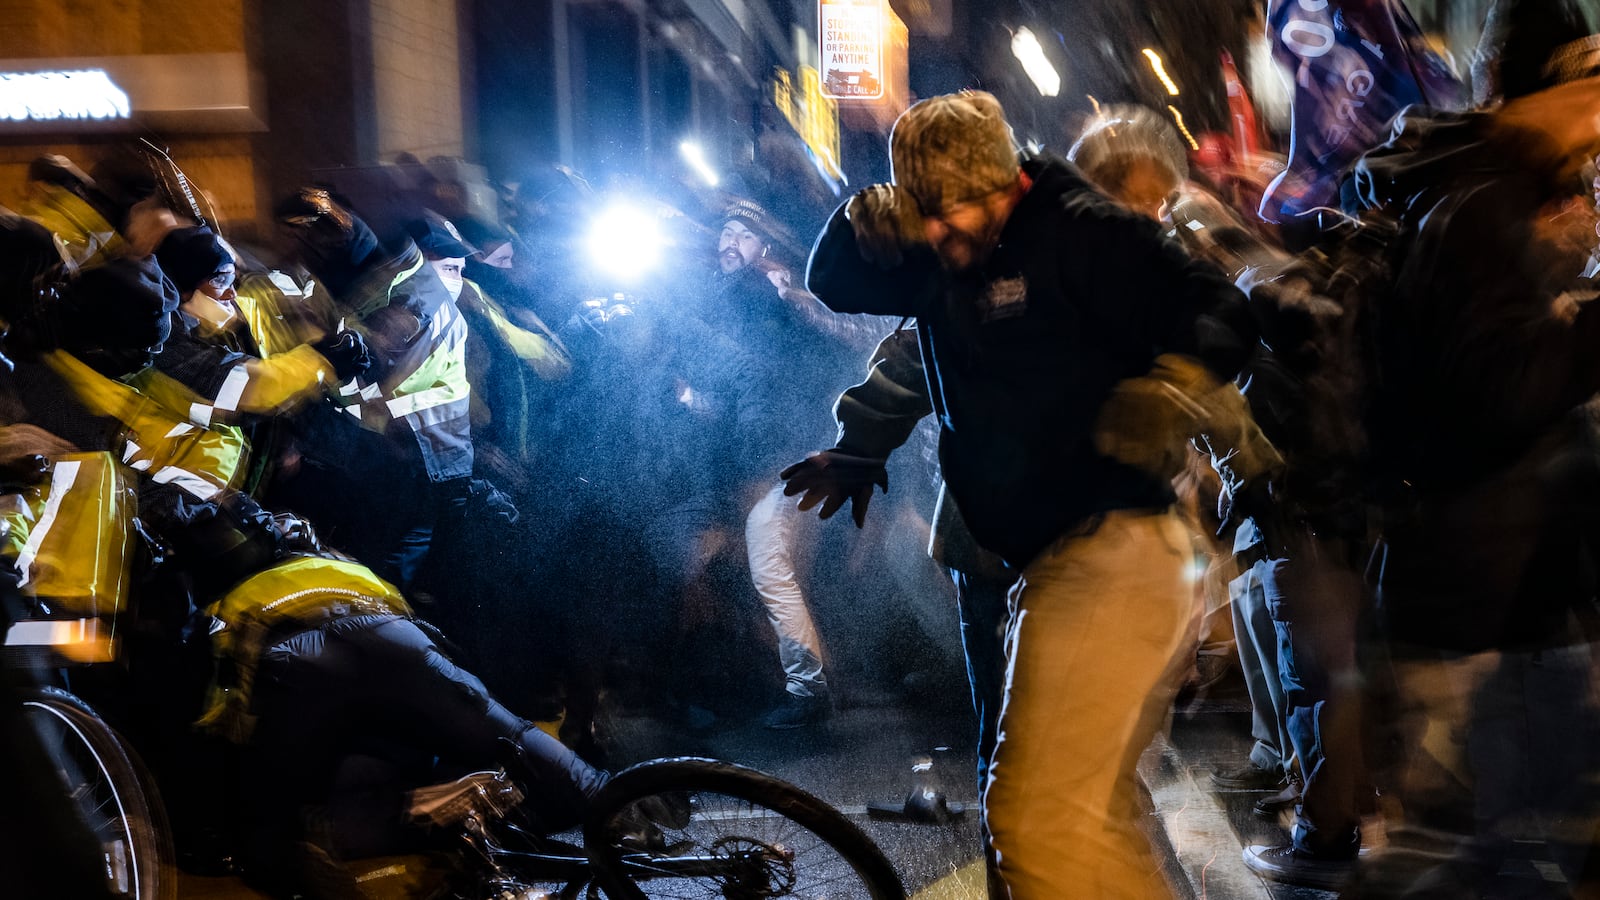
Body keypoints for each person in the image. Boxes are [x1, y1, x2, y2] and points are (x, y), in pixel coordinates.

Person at [805, 90, 1259, 898]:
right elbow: (834, 280)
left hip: (1114, 544)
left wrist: (1174, 384)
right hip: (1031, 562)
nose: (940, 236)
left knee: (1037, 813)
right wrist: (860, 218)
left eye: (955, 213)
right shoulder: (944, 243)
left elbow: (1222, 310)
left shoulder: (1087, 230)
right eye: (924, 217)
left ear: (1007, 182)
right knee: (1082, 808)